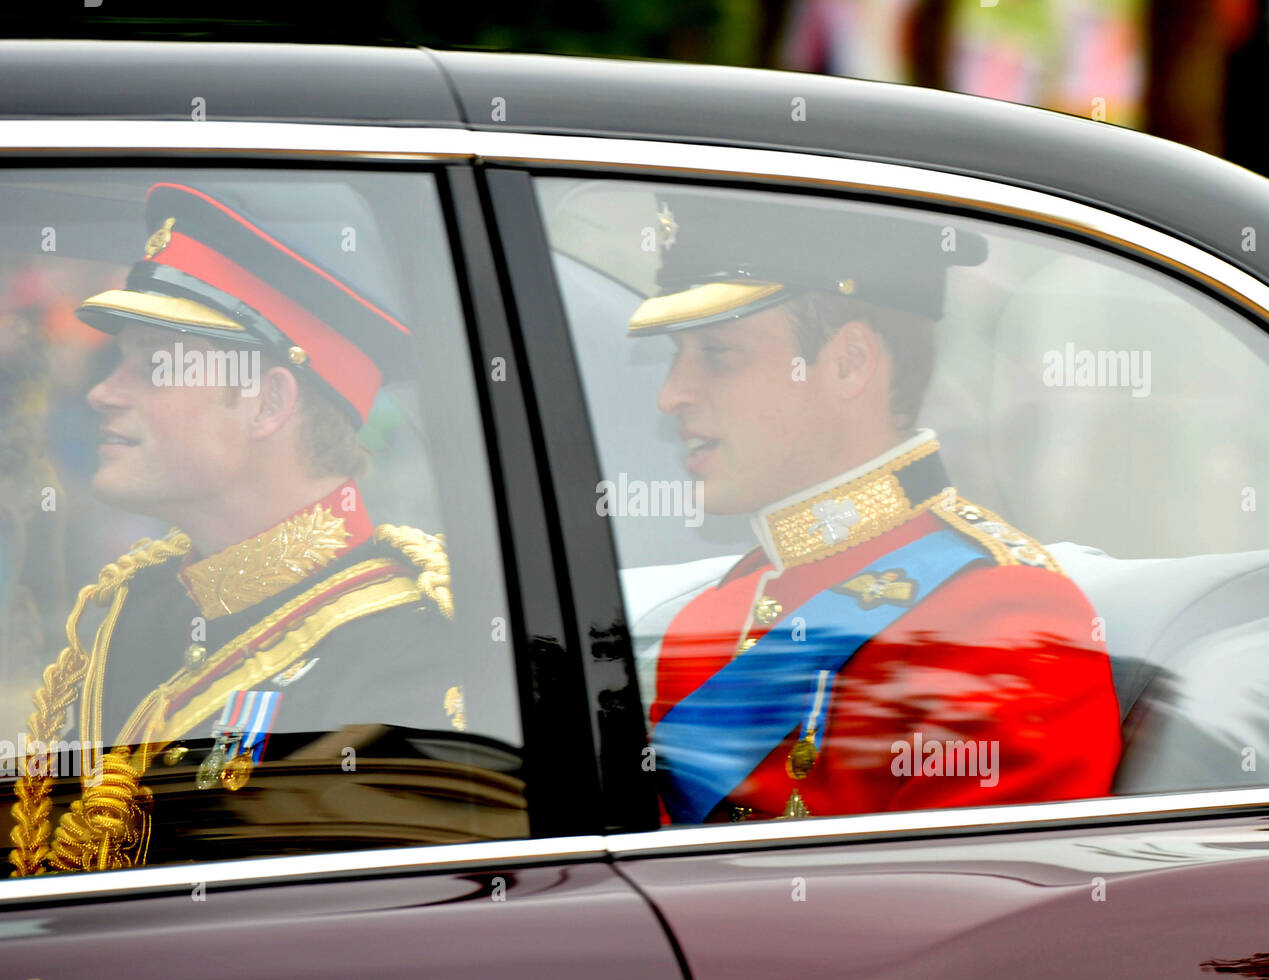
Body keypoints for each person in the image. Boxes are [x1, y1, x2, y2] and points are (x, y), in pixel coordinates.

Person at [7, 180, 515, 877]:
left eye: (153, 364)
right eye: (118, 360)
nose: (103, 391)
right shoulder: (141, 604)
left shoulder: (409, 650)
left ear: (268, 402)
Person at [631, 193, 1122, 824]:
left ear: (848, 363)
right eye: (676, 355)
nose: (672, 394)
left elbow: (975, 911)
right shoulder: (721, 608)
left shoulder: (1000, 620)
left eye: (717, 354)